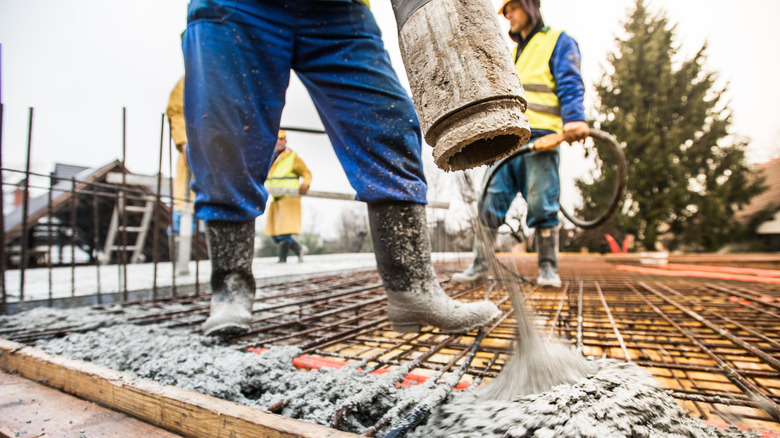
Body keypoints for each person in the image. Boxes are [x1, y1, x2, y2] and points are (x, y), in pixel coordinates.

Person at [182, 0, 501, 336]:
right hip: (237, 7)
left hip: (338, 11)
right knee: (226, 136)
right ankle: (230, 288)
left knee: (388, 121)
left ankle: (412, 288)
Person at [452, 0, 589, 288]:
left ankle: (548, 269)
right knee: (489, 200)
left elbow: (569, 80)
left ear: (529, 6)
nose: (508, 16)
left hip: (542, 138)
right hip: (508, 140)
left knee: (542, 202)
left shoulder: (557, 41)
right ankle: (479, 267)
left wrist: (574, 117)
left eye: (512, 8)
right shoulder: (512, 53)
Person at [264, 130, 311, 263]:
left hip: (289, 197)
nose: (281, 141)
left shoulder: (292, 157)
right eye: (278, 138)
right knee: (274, 233)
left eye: (283, 139)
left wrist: (305, 184)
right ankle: (299, 249)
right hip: (275, 198)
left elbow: (307, 173)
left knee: (285, 232)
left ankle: (282, 261)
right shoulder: (270, 157)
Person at [165, 76, 197, 271]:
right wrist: (184, 143)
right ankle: (179, 263)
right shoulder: (189, 80)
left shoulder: (235, 74)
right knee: (183, 208)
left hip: (222, 156)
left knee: (220, 210)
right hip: (193, 154)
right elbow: (176, 111)